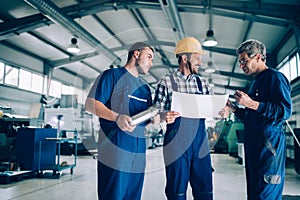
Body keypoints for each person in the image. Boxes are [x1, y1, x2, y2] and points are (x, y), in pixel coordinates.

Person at [219, 39, 292, 200]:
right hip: (254, 148)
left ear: (258, 57)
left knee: (266, 192)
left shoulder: (275, 78)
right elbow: (252, 116)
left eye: (244, 60)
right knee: (254, 193)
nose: (241, 65)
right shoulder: (255, 83)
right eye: (240, 62)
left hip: (269, 148)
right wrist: (235, 109)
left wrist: (252, 103)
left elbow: (285, 111)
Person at [85, 42, 154, 200]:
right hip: (115, 149)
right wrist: (117, 117)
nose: (151, 62)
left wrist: (161, 117)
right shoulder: (111, 76)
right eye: (149, 57)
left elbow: (148, 119)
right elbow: (90, 104)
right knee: (113, 194)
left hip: (138, 152)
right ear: (136, 54)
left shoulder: (145, 89)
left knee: (133, 195)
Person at [153, 37, 213, 200]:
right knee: (176, 190)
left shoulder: (203, 84)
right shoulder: (166, 82)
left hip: (200, 142)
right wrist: (164, 116)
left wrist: (221, 111)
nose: (200, 62)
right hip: (176, 142)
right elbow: (154, 115)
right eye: (197, 57)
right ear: (185, 58)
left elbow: (211, 111)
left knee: (205, 188)